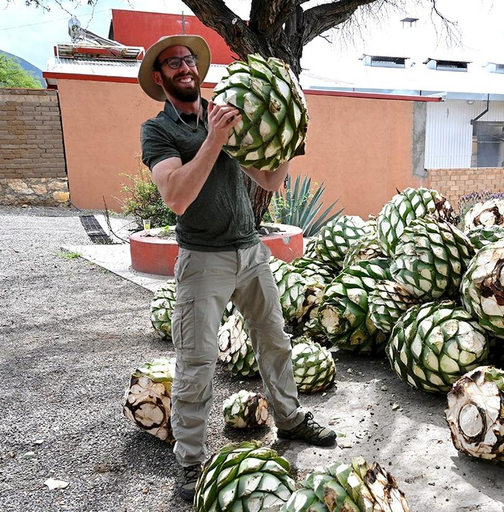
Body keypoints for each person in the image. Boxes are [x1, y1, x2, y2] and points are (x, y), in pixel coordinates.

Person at [137, 35, 336, 502]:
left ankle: (289, 419)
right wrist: (214, 140)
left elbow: (268, 179)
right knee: (197, 361)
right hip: (203, 260)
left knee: (275, 340)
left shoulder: (226, 112)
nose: (185, 67)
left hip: (250, 252)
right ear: (160, 77)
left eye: (189, 60)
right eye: (173, 63)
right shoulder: (159, 131)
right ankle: (190, 461)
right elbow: (176, 197)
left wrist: (289, 133)